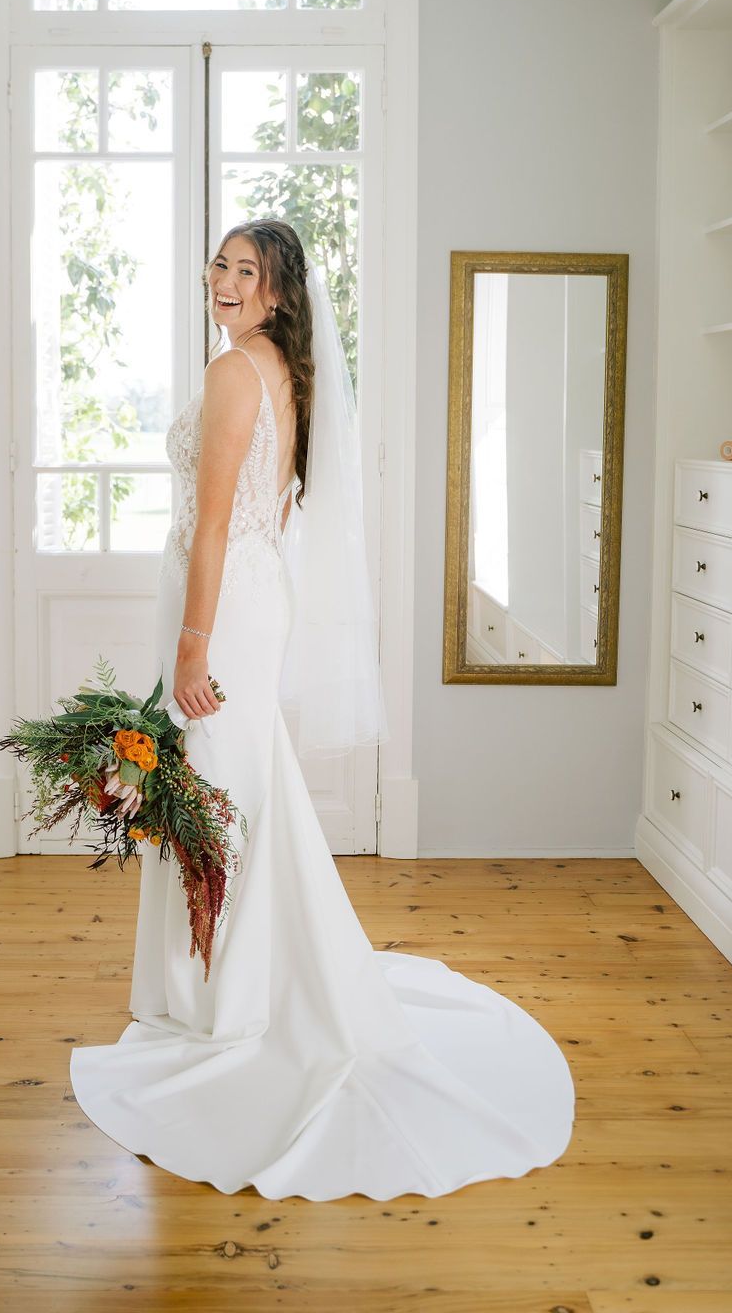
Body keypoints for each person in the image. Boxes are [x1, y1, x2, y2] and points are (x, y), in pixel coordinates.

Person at [68, 218, 575, 1200]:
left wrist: (189, 643)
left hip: (220, 614)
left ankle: (229, 1001)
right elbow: (276, 509)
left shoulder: (232, 374)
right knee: (229, 792)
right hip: (252, 598)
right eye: (218, 263)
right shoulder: (277, 372)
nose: (221, 278)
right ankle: (228, 983)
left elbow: (213, 519)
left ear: (279, 294)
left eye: (244, 270)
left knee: (211, 799)